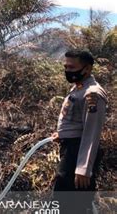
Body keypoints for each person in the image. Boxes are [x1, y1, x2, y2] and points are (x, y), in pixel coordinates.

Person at [51, 49, 108, 213]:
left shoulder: (93, 94)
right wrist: (62, 134)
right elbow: (75, 121)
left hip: (78, 152)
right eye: (66, 67)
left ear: (87, 69)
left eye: (72, 67)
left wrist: (83, 168)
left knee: (72, 205)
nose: (68, 71)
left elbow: (91, 133)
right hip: (70, 148)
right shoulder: (79, 87)